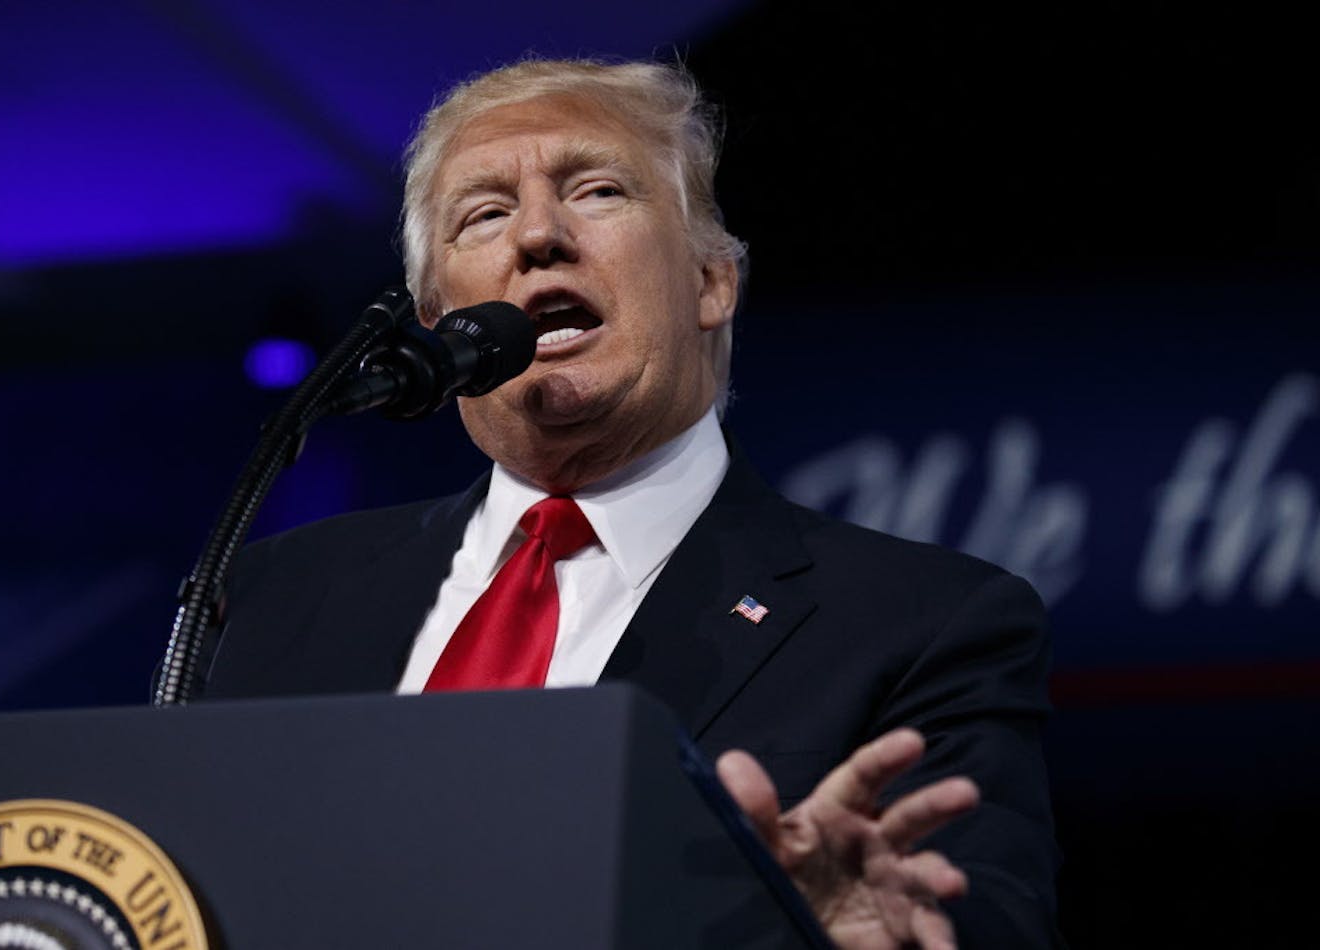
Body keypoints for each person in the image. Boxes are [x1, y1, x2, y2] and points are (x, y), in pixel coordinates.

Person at [203, 58, 1061, 948]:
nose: (537, 234)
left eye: (599, 190)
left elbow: (980, 916)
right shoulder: (279, 598)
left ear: (709, 282)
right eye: (485, 214)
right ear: (440, 318)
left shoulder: (922, 624)